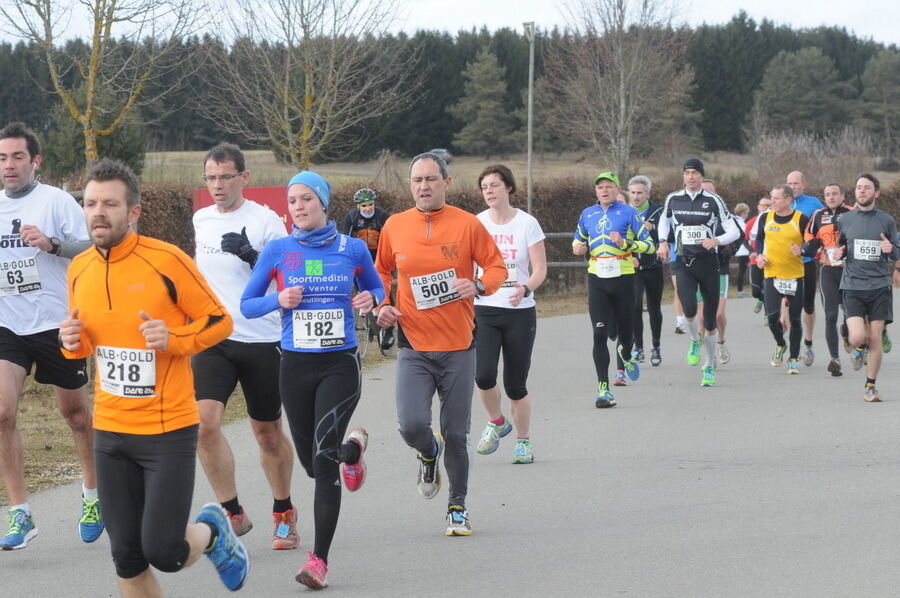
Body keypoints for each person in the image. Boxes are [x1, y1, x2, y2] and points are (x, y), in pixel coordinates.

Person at [59, 159, 248, 595]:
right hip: (110, 431)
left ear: (134, 211)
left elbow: (219, 321)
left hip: (166, 431)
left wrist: (174, 337)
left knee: (164, 551)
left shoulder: (166, 261)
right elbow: (87, 345)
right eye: (89, 203)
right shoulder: (79, 269)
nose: (97, 213)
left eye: (109, 203)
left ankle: (214, 532)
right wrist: (70, 342)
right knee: (126, 557)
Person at [241, 170, 382, 588]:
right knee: (311, 462)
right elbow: (247, 305)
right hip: (295, 366)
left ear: (323, 202)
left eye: (306, 199)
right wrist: (277, 300)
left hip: (340, 365)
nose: (298, 207)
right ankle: (352, 450)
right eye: (292, 201)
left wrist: (370, 297)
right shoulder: (278, 250)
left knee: (322, 463)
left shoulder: (352, 248)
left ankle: (318, 560)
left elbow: (377, 290)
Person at [375, 152, 506, 536]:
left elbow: (496, 266)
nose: (424, 187)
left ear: (446, 183)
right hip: (413, 345)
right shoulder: (395, 226)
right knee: (411, 424)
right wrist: (383, 304)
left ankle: (457, 508)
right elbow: (381, 270)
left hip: (458, 346)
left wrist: (480, 284)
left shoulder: (467, 225)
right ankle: (427, 452)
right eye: (417, 180)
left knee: (457, 433)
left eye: (431, 179)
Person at [0, 122, 101, 550]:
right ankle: (20, 512)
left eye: (17, 156)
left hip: (59, 322)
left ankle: (93, 495)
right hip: (9, 323)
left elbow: (94, 247)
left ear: (34, 161)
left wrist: (53, 245)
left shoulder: (57, 201)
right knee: (2, 413)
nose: (9, 165)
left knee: (75, 416)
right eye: (3, 157)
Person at [192, 143, 297, 548]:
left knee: (267, 432)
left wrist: (255, 257)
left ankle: (284, 510)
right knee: (204, 425)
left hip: (262, 337)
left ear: (244, 178)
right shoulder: (201, 219)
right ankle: (232, 509)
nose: (217, 185)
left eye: (225, 177)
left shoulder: (267, 221)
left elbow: (289, 278)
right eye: (211, 178)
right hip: (215, 337)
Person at [472, 165, 546, 465]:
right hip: (485, 309)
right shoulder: (476, 223)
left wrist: (526, 288)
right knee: (483, 376)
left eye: (494, 185)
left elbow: (540, 269)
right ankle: (498, 421)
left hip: (519, 312)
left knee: (516, 384)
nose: (488, 191)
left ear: (509, 188)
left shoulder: (527, 224)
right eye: (484, 187)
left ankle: (523, 441)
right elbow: (467, 264)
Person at [657, 158, 739, 387]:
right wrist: (663, 241)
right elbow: (664, 221)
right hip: (684, 261)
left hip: (708, 264)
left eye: (694, 173)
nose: (690, 177)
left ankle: (709, 365)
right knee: (690, 310)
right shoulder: (673, 199)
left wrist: (717, 239)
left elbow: (733, 229)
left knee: (710, 322)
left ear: (701, 176)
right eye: (687, 173)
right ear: (683, 176)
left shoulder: (714, 200)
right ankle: (694, 339)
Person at [573, 171, 653, 406]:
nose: (604, 190)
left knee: (625, 335)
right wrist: (577, 247)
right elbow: (578, 239)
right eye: (600, 187)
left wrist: (625, 243)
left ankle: (626, 355)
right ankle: (603, 389)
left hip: (624, 277)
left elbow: (648, 245)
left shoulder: (629, 212)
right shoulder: (588, 213)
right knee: (599, 335)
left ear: (617, 190)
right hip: (597, 276)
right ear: (596, 191)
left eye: (609, 187)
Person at [829, 173, 899, 402]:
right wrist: (839, 253)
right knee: (859, 337)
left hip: (879, 286)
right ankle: (853, 342)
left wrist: (891, 249)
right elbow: (841, 248)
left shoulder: (887, 220)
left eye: (867, 188)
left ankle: (870, 386)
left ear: (876, 192)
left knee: (876, 339)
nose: (862, 191)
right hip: (853, 285)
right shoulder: (845, 220)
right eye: (859, 187)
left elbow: (896, 251)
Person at [754, 184, 810, 374]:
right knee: (771, 318)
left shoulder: (801, 219)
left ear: (788, 199)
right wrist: (760, 255)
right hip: (772, 274)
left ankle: (793, 359)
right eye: (772, 197)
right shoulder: (766, 217)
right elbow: (759, 239)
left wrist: (802, 250)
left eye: (777, 198)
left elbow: (812, 242)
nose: (773, 202)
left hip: (795, 276)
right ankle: (780, 343)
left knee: (795, 320)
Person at [803, 183, 852, 376]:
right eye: (827, 194)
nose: (831, 197)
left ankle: (848, 334)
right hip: (828, 270)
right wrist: (811, 245)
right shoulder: (817, 215)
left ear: (842, 195)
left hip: (850, 271)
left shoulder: (851, 213)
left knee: (849, 314)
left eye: (834, 194)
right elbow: (808, 238)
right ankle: (835, 359)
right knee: (831, 315)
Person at [343, 188, 394, 350]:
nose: (367, 208)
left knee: (384, 288)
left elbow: (390, 238)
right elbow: (346, 240)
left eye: (371, 204)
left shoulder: (381, 216)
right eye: (364, 205)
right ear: (358, 205)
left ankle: (389, 330)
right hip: (360, 258)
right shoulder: (351, 217)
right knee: (359, 286)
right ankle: (367, 310)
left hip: (380, 257)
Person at [695, 179, 736, 366]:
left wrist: (731, 249)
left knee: (718, 315)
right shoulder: (692, 215)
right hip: (698, 268)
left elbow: (739, 234)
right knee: (702, 316)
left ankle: (721, 343)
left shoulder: (724, 215)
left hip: (720, 270)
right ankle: (706, 354)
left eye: (711, 192)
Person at [786, 171, 825, 366]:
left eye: (796, 183)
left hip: (807, 261)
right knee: (789, 305)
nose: (793, 187)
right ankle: (791, 346)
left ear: (804, 185)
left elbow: (827, 225)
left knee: (808, 306)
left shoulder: (813, 203)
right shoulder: (781, 202)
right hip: (785, 263)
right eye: (790, 183)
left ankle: (808, 344)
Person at [628, 175, 664, 367]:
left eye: (640, 193)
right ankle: (639, 347)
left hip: (653, 266)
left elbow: (670, 234)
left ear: (647, 194)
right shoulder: (624, 212)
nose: (636, 197)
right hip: (632, 267)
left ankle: (656, 346)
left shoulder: (658, 211)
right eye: (633, 193)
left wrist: (654, 228)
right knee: (634, 306)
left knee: (653, 308)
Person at [747, 196, 772, 317]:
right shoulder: (752, 222)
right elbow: (744, 238)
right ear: (758, 207)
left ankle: (768, 315)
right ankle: (760, 299)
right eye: (763, 205)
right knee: (756, 291)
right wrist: (751, 251)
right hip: (755, 260)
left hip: (770, 260)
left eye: (768, 205)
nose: (766, 208)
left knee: (768, 288)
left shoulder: (774, 220)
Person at [733, 203, 751, 297]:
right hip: (743, 250)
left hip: (739, 250)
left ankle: (740, 290)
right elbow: (745, 237)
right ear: (743, 213)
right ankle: (740, 291)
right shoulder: (741, 223)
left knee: (742, 270)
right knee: (742, 271)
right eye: (746, 213)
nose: (747, 215)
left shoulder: (735, 220)